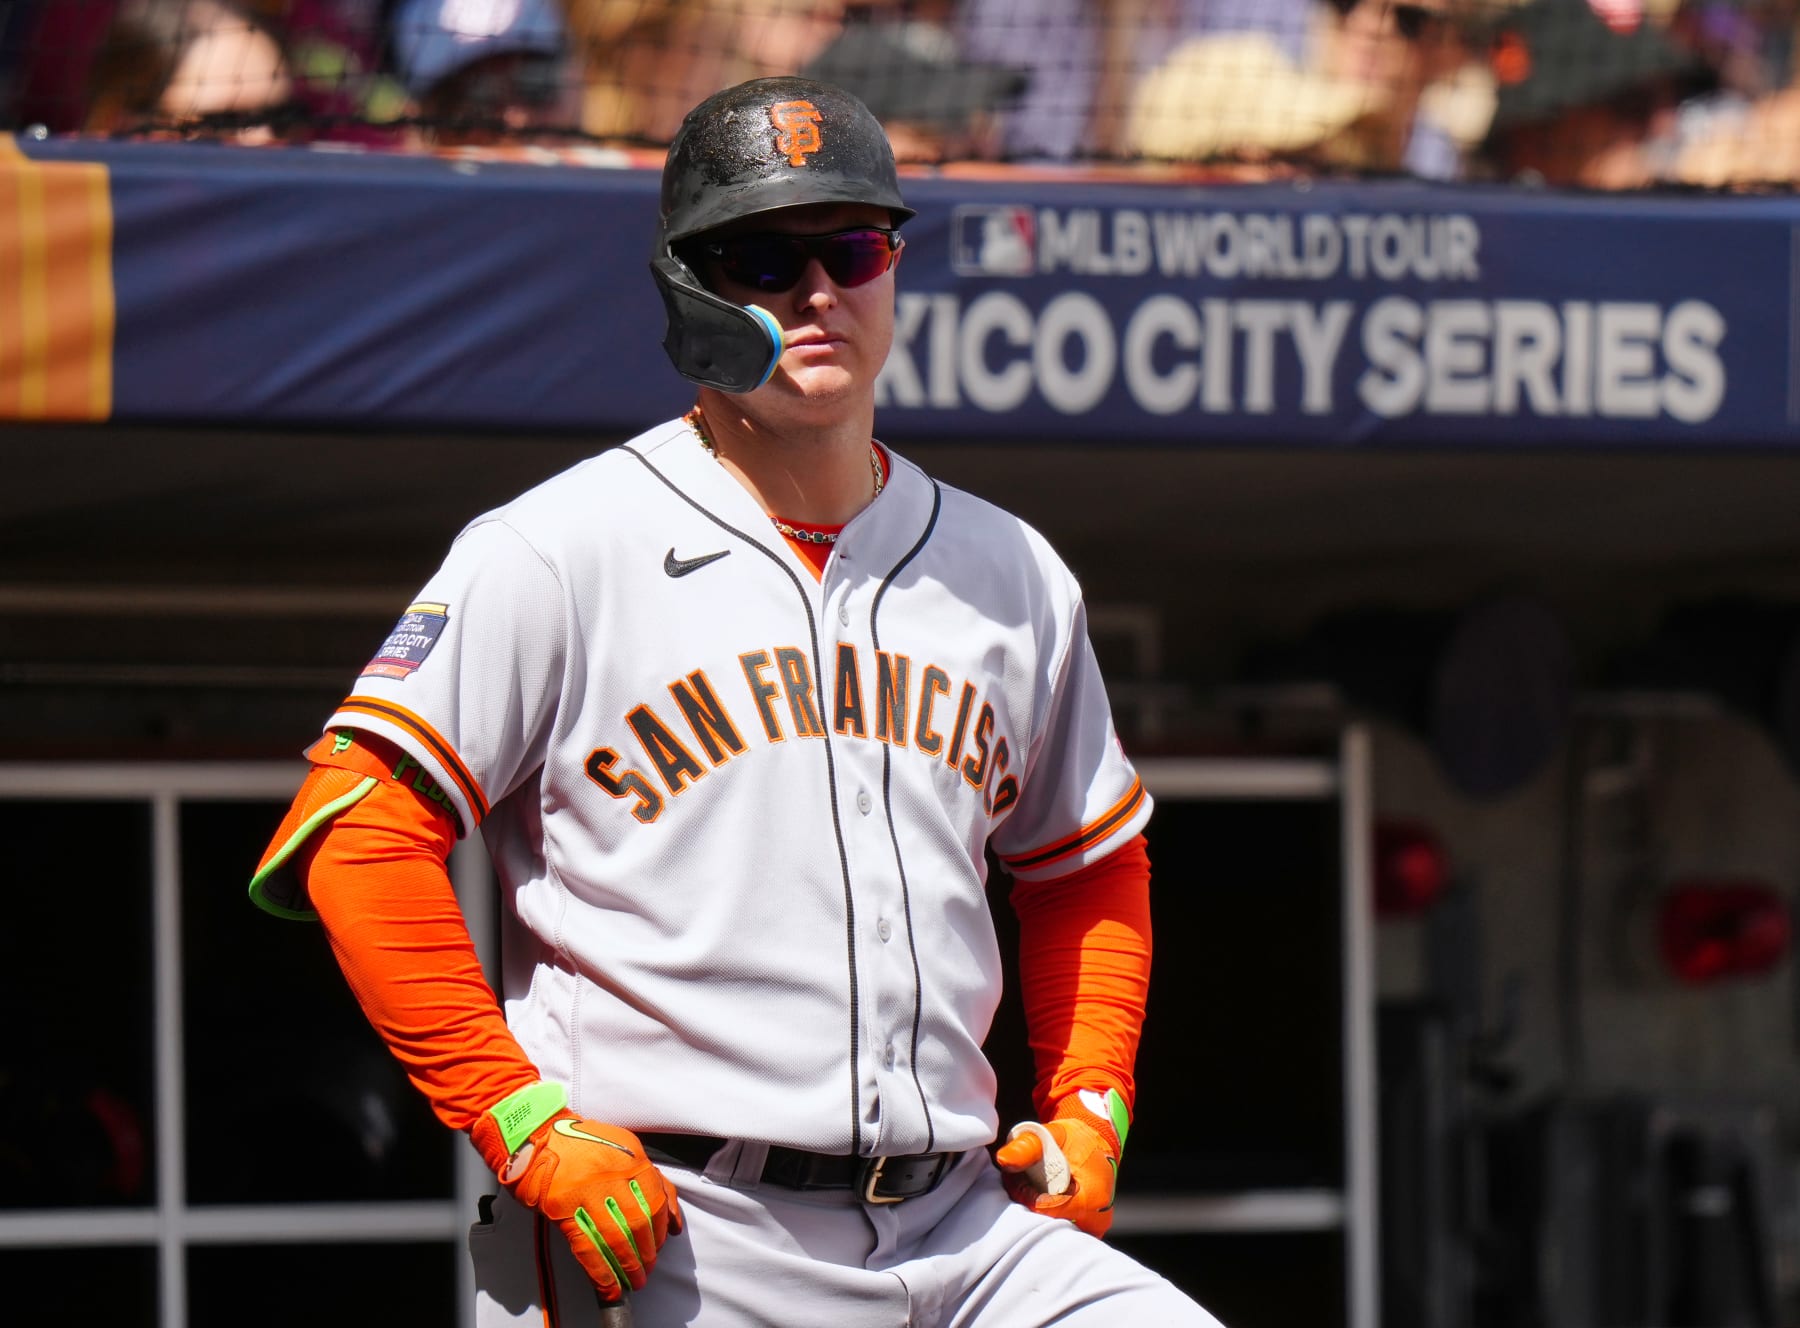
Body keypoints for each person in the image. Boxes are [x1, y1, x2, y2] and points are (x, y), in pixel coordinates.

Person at [249, 74, 1221, 1327]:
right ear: (688, 289)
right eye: (764, 257)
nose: (818, 292)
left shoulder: (1010, 567)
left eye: (852, 248)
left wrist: (1090, 1094)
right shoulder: (558, 546)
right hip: (683, 1227)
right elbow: (360, 840)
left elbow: (1085, 861)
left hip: (968, 1224)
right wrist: (516, 1117)